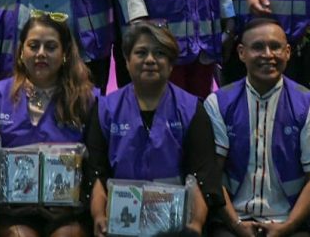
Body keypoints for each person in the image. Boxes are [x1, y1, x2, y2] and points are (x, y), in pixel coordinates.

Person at [205, 18, 310, 236]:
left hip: (292, 222)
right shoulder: (217, 103)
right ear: (241, 53)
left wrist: (286, 227)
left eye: (276, 47)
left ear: (288, 52)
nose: (268, 55)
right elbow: (213, 173)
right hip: (233, 220)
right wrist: (236, 225)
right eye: (258, 47)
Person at [86, 21, 219, 237]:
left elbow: (200, 176)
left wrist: (195, 225)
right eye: (141, 52)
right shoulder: (104, 109)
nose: (150, 60)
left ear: (171, 64)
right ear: (127, 62)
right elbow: (96, 173)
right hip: (120, 223)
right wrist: (99, 216)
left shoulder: (192, 109)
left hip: (174, 226)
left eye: (160, 53)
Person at [0, 14, 97, 237]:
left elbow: (97, 164)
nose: (41, 54)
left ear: (64, 53)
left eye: (51, 47)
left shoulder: (88, 99)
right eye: (33, 46)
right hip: (14, 208)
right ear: (21, 51)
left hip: (68, 208)